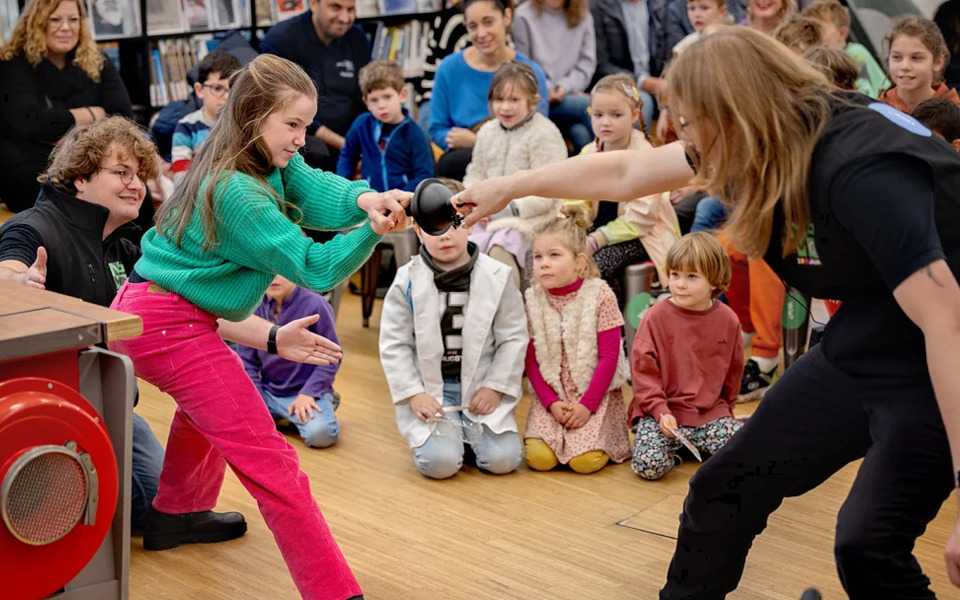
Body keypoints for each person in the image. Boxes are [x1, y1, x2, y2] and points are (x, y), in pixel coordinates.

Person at [454, 27, 960, 598]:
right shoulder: (760, 136)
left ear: (735, 110)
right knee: (724, 486)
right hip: (875, 327)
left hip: (947, 347)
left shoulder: (857, 163)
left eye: (691, 123)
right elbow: (624, 172)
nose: (683, 139)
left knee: (867, 543)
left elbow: (947, 321)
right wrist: (506, 187)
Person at [107, 54, 410, 599]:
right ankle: (336, 592)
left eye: (306, 124)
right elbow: (313, 267)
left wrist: (368, 198)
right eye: (292, 124)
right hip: (167, 324)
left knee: (212, 408)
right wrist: (372, 230)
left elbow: (314, 186)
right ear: (253, 116)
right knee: (276, 469)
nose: (301, 137)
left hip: (166, 311)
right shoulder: (238, 192)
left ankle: (177, 513)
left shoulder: (257, 157)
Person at [0, 116, 165, 532]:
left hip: (109, 405)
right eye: (120, 172)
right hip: (43, 408)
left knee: (156, 506)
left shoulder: (125, 246)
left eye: (140, 175)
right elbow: (8, 272)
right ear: (79, 178)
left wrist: (270, 337)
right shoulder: (32, 226)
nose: (136, 185)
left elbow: (177, 308)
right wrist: (19, 284)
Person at [379, 184, 527, 480]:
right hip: (433, 390)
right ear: (418, 233)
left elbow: (514, 337)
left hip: (481, 385)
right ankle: (452, 439)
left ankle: (462, 435)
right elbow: (395, 345)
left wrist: (495, 386)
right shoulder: (405, 280)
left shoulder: (498, 276)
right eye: (433, 228)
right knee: (441, 465)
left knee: (503, 460)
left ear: (471, 225)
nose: (444, 235)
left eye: (454, 223)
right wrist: (414, 393)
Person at [523, 206, 632, 474]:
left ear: (579, 261)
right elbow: (532, 362)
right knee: (539, 459)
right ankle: (553, 433)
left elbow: (610, 358)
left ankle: (595, 439)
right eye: (538, 256)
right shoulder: (533, 299)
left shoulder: (600, 295)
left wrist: (587, 406)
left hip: (593, 394)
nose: (544, 263)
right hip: (553, 394)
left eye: (554, 255)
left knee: (584, 463)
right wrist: (551, 402)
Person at [0, 0, 133, 213]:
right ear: (36, 22)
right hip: (29, 170)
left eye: (73, 19)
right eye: (55, 19)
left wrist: (68, 133)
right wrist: (92, 113)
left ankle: (134, 247)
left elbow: (123, 118)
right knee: (83, 195)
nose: (66, 27)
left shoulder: (98, 62)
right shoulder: (12, 64)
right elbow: (33, 122)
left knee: (129, 192)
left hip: (90, 161)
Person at [629, 232, 743, 480]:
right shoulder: (655, 316)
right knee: (648, 466)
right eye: (674, 274)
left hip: (709, 414)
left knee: (742, 455)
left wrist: (725, 413)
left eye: (691, 276)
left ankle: (692, 445)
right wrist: (660, 411)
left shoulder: (728, 320)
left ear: (716, 280)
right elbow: (643, 373)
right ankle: (679, 452)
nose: (680, 284)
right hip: (661, 414)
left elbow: (733, 374)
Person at [570, 74, 680, 303]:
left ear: (635, 115)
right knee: (561, 252)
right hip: (600, 230)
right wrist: (575, 222)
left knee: (601, 263)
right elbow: (574, 194)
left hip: (645, 234)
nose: (605, 123)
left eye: (616, 115)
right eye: (598, 115)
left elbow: (641, 218)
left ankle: (614, 330)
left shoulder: (646, 157)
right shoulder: (590, 152)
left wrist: (596, 240)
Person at [464, 61, 567, 289]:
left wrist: (500, 211)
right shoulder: (487, 132)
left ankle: (510, 314)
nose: (505, 108)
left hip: (534, 218)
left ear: (532, 101)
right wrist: (472, 201)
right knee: (460, 243)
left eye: (514, 100)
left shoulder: (544, 134)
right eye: (499, 100)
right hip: (487, 214)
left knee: (501, 247)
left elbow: (547, 193)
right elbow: (475, 173)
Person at [429, 0, 549, 181]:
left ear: (507, 17)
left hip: (517, 157)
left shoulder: (530, 72)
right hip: (464, 159)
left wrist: (479, 142)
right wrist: (455, 138)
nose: (481, 34)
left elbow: (537, 128)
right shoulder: (448, 68)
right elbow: (437, 128)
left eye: (488, 22)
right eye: (472, 26)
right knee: (450, 163)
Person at [260, 0, 371, 173]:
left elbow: (364, 100)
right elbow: (278, 106)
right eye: (336, 7)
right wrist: (346, 146)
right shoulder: (283, 38)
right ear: (313, 4)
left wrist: (363, 145)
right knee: (317, 151)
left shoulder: (358, 39)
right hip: (303, 134)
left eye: (351, 10)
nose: (345, 18)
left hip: (349, 135)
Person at [239, 275, 343, 449]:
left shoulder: (316, 305)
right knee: (236, 425)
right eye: (267, 270)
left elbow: (333, 358)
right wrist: (258, 401)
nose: (273, 277)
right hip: (268, 392)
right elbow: (247, 364)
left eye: (281, 270)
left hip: (303, 392)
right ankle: (284, 415)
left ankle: (324, 400)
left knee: (320, 435)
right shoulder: (252, 305)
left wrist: (308, 393)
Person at [336, 60, 434, 192]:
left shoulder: (414, 133)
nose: (381, 105)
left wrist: (401, 197)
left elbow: (424, 174)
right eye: (374, 100)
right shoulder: (362, 124)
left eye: (387, 97)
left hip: (403, 204)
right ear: (366, 102)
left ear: (402, 95)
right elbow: (347, 155)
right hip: (370, 201)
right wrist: (343, 186)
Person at [512, 0, 596, 152]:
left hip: (569, 94)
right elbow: (523, 66)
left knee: (580, 133)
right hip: (538, 98)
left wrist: (565, 87)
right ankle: (618, 161)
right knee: (589, 106)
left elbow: (586, 64)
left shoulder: (584, 16)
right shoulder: (523, 16)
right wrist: (549, 88)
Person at [590, 0, 673, 131]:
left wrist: (666, 82)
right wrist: (642, 82)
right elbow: (601, 64)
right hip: (619, 84)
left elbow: (671, 53)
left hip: (660, 82)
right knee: (641, 102)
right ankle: (639, 151)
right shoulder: (599, 6)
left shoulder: (660, 6)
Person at [171, 50, 242, 186]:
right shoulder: (186, 127)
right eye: (217, 88)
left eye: (232, 90)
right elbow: (181, 180)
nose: (226, 97)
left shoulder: (240, 124)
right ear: (199, 89)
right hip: (197, 196)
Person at [802, 0, 888, 98]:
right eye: (808, 28)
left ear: (842, 33)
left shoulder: (855, 54)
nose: (812, 34)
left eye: (819, 29)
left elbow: (864, 95)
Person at [880, 15, 960, 114]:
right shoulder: (876, 109)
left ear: (937, 62)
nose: (905, 66)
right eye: (897, 57)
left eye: (916, 58)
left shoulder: (953, 114)